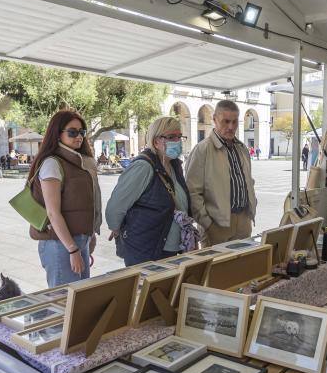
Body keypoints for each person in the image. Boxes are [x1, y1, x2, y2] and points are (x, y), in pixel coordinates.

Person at [106, 116, 196, 265]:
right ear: (156, 141)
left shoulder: (174, 165)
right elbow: (115, 208)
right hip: (147, 251)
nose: (177, 141)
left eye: (179, 136)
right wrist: (116, 228)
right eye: (171, 137)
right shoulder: (143, 167)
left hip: (173, 249)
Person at [27, 110, 101, 286]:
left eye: (82, 132)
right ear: (58, 134)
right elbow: (53, 213)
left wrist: (89, 235)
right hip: (60, 244)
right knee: (65, 302)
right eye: (72, 132)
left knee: (80, 300)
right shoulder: (52, 163)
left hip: (76, 241)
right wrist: (72, 249)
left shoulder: (78, 161)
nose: (79, 136)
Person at [187, 100, 257, 246]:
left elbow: (249, 182)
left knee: (244, 266)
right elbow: (192, 192)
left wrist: (251, 210)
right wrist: (208, 224)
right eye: (225, 121)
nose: (231, 127)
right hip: (216, 225)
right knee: (217, 268)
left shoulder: (242, 149)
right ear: (214, 120)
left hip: (243, 222)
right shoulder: (202, 150)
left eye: (234, 122)